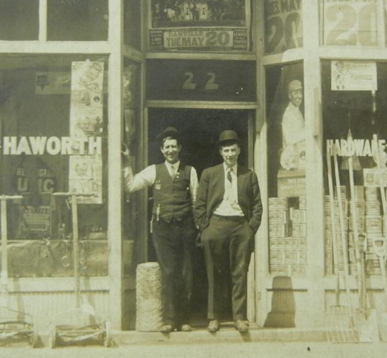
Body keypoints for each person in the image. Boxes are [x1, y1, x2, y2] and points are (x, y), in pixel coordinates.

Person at [123, 127, 198, 333]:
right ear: (162, 150)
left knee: (186, 273)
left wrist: (197, 226)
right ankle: (170, 320)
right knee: (168, 272)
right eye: (167, 147)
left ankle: (184, 320)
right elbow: (130, 185)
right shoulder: (153, 170)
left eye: (174, 146)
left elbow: (195, 201)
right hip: (162, 228)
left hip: (185, 227)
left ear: (180, 148)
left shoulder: (190, 172)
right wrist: (126, 162)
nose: (171, 150)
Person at [194, 130, 263, 334]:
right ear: (221, 152)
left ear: (239, 150)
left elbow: (258, 206)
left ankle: (239, 317)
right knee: (214, 273)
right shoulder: (209, 174)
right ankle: (214, 317)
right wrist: (205, 228)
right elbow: (199, 204)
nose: (230, 154)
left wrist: (250, 228)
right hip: (215, 225)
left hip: (240, 226)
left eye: (233, 150)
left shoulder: (248, 175)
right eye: (226, 150)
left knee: (239, 272)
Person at [280, 79, 305, 170]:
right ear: (289, 96)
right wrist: (307, 131)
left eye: (300, 92)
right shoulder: (288, 114)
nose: (299, 96)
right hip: (292, 161)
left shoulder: (297, 111)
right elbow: (289, 139)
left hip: (300, 158)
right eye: (296, 93)